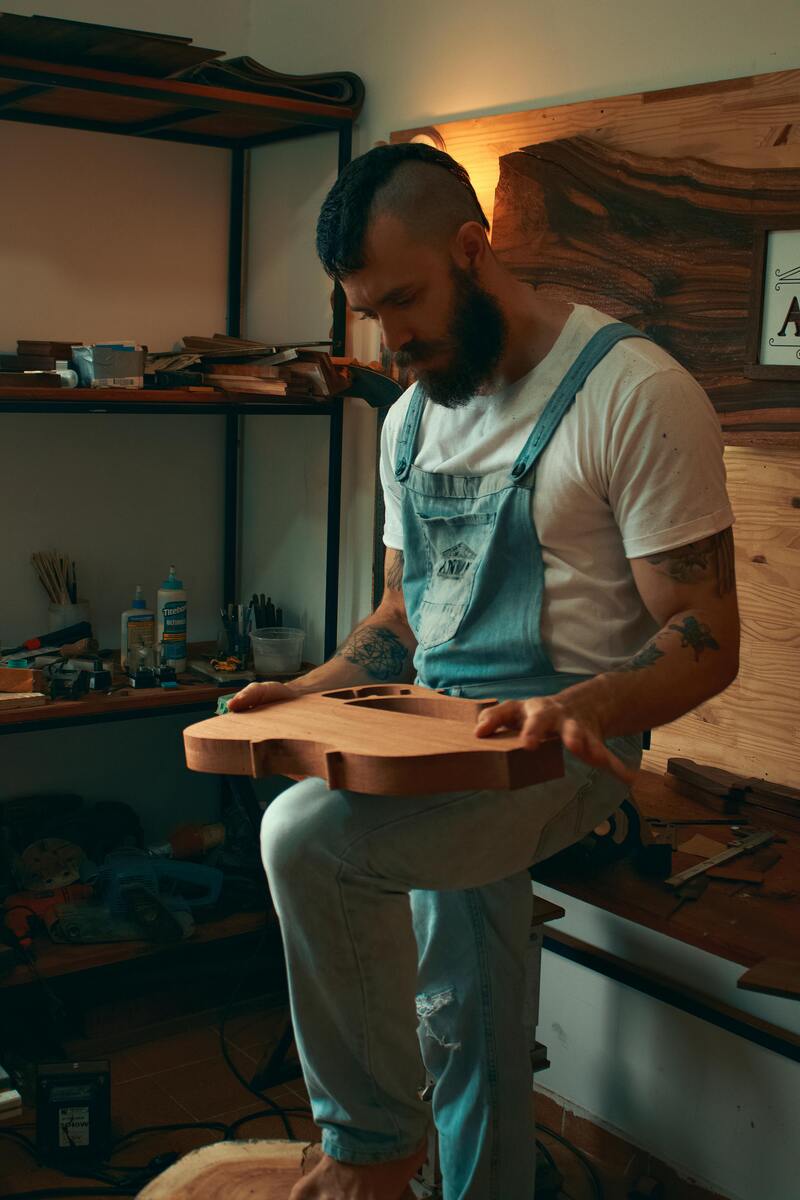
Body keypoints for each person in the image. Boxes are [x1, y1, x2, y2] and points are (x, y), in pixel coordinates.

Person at [228, 142, 739, 1200]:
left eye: (404, 300)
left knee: (307, 840)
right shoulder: (413, 415)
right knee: (463, 1013)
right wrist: (312, 688)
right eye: (369, 312)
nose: (391, 338)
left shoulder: (633, 394)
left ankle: (369, 1154)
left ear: (471, 249)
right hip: (435, 730)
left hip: (568, 749)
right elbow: (401, 615)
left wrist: (580, 704)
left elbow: (706, 633)